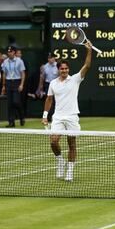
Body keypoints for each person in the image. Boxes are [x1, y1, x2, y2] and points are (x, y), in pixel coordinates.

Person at [41, 41, 92, 182]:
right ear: (58, 70)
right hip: (57, 117)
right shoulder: (53, 83)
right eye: (62, 69)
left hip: (72, 117)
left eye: (66, 68)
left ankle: (70, 170)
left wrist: (89, 50)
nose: (64, 70)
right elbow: (49, 100)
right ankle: (59, 160)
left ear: (68, 69)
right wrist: (45, 115)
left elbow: (87, 66)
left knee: (71, 144)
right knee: (53, 141)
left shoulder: (75, 79)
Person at [2, 45, 26, 127]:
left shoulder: (19, 61)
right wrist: (4, 85)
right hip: (9, 82)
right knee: (10, 103)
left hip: (17, 81)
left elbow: (23, 73)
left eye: (11, 52)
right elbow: (4, 73)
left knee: (16, 101)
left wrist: (21, 84)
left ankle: (22, 117)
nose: (9, 53)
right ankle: (11, 122)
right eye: (8, 52)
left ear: (14, 52)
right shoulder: (5, 62)